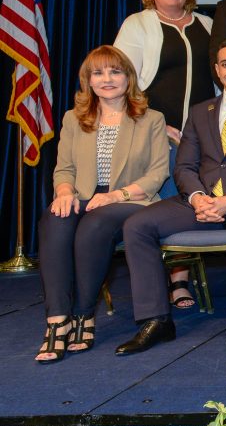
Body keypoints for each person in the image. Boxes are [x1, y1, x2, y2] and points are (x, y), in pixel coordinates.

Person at [115, 39, 226, 357]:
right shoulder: (200, 112)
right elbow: (184, 165)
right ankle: (156, 320)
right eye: (225, 64)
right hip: (199, 199)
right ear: (217, 70)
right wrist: (197, 196)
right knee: (137, 224)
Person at [36, 47, 169, 363]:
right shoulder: (73, 118)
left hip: (132, 200)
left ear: (128, 77)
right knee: (54, 219)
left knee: (95, 223)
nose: (107, 79)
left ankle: (84, 313)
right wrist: (65, 191)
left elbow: (157, 173)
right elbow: (64, 167)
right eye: (98, 73)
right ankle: (57, 320)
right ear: (88, 80)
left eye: (115, 71)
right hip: (82, 196)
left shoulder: (151, 118)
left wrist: (114, 195)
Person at [114, 0, 216, 308]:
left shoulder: (207, 24)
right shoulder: (137, 25)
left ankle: (180, 278)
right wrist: (159, 123)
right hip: (157, 132)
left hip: (204, 135)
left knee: (192, 201)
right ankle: (174, 283)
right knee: (174, 197)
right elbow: (122, 81)